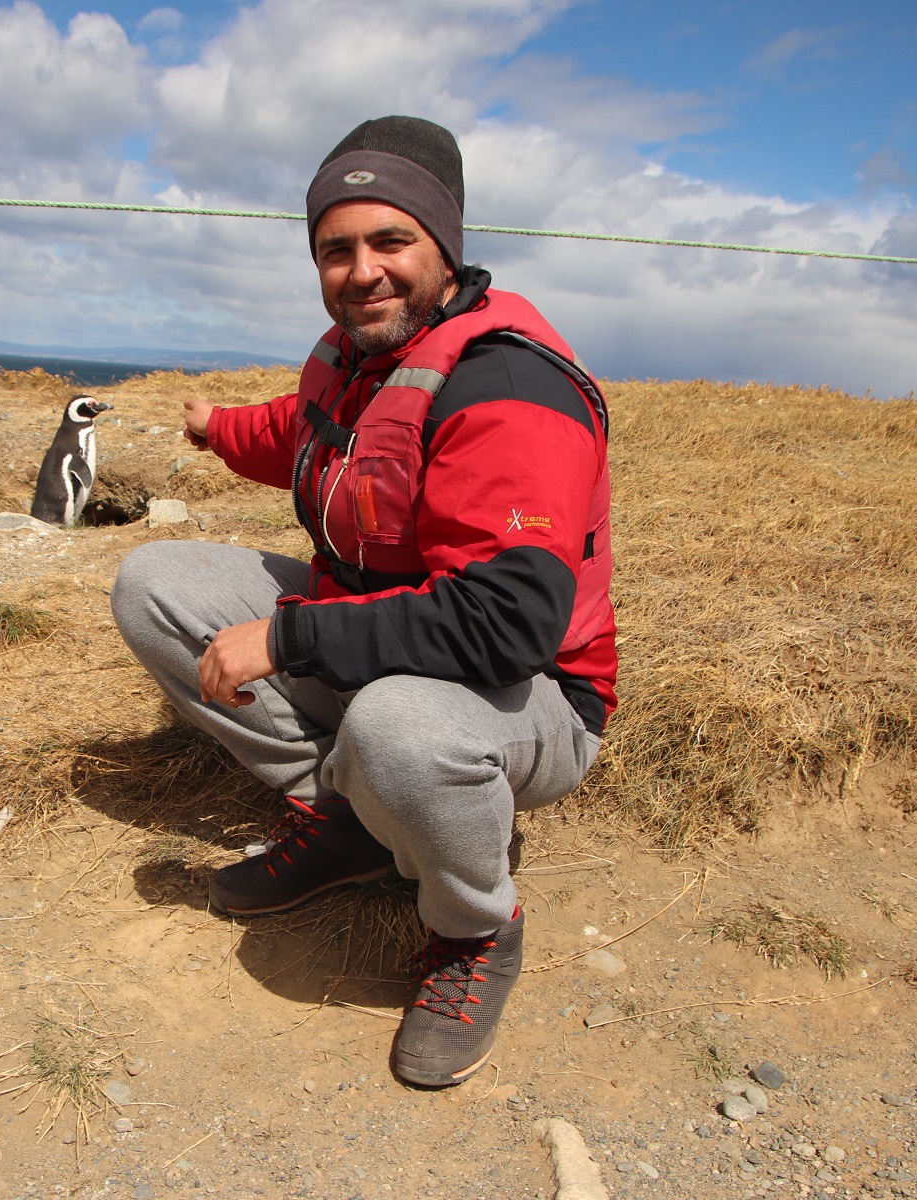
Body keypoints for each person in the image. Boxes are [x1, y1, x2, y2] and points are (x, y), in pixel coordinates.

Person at [111, 115, 616, 1088]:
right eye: (335, 249)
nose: (362, 270)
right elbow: (307, 435)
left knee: (398, 730)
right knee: (153, 586)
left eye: (391, 241)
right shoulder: (354, 355)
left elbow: (509, 624)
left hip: (526, 695)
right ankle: (340, 820)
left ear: (446, 247)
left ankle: (473, 931)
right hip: (383, 633)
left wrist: (291, 635)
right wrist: (218, 428)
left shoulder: (507, 381)